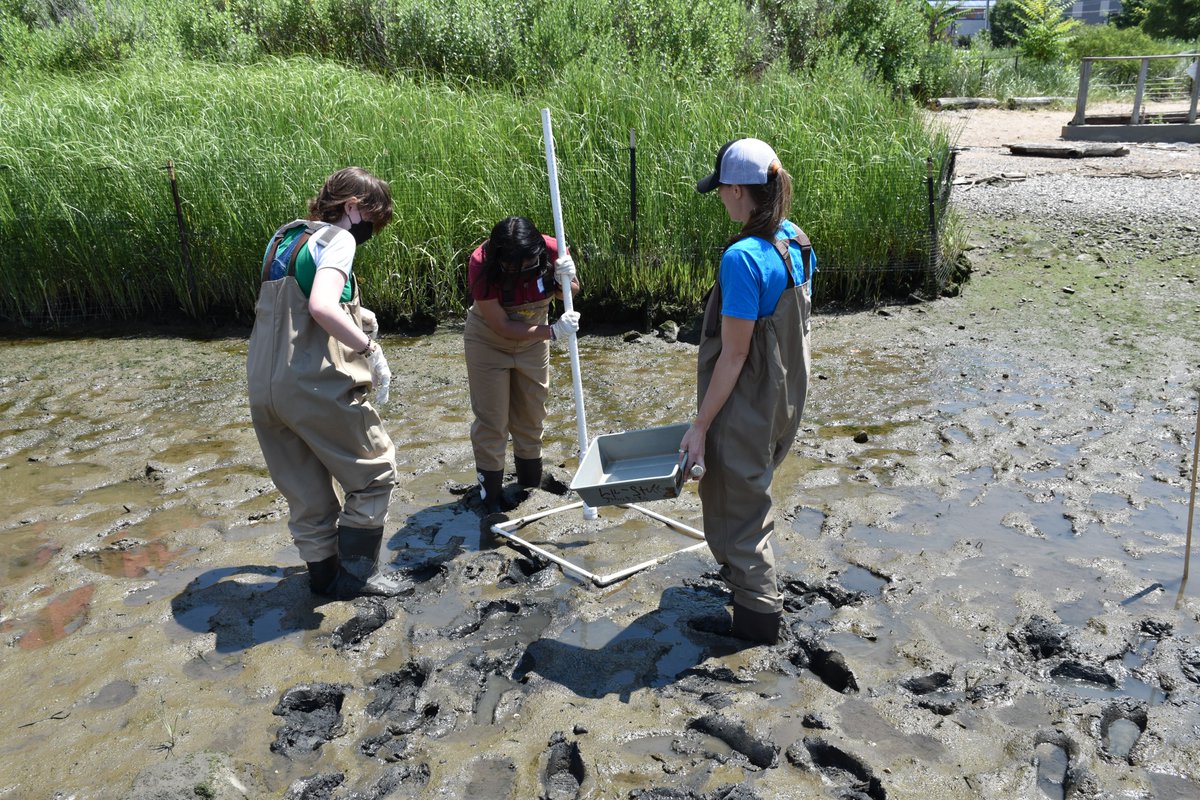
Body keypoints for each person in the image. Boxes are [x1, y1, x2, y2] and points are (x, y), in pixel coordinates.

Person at [679, 138, 816, 645]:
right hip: (786, 396)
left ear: (738, 190)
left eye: (720, 189)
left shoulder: (743, 258)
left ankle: (757, 627)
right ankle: (749, 595)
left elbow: (734, 355)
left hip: (748, 400)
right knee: (751, 491)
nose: (719, 197)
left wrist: (700, 426)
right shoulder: (795, 239)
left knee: (738, 513)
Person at [247, 166, 405, 599]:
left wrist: (358, 312)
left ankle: (324, 581)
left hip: (264, 384)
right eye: (371, 219)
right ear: (352, 207)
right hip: (311, 383)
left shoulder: (286, 237)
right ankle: (358, 577)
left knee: (308, 494)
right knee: (374, 474)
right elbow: (320, 306)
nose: (371, 229)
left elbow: (292, 302)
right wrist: (370, 350)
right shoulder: (339, 239)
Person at [465, 216, 581, 514]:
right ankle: (490, 499)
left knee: (532, 414)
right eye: (511, 268)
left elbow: (570, 291)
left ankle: (529, 487)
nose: (519, 273)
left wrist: (566, 278)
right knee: (493, 421)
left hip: (533, 344)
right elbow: (502, 326)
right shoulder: (480, 263)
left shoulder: (553, 249)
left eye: (527, 265)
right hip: (489, 344)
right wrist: (553, 331)